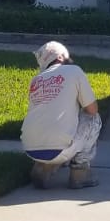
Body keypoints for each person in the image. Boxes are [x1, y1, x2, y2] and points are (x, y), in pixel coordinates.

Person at [21, 41, 101, 190]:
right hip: (59, 149)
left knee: (52, 123)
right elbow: (92, 110)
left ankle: (43, 166)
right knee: (93, 119)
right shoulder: (74, 71)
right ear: (60, 57)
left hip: (30, 148)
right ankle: (80, 174)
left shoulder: (36, 80)